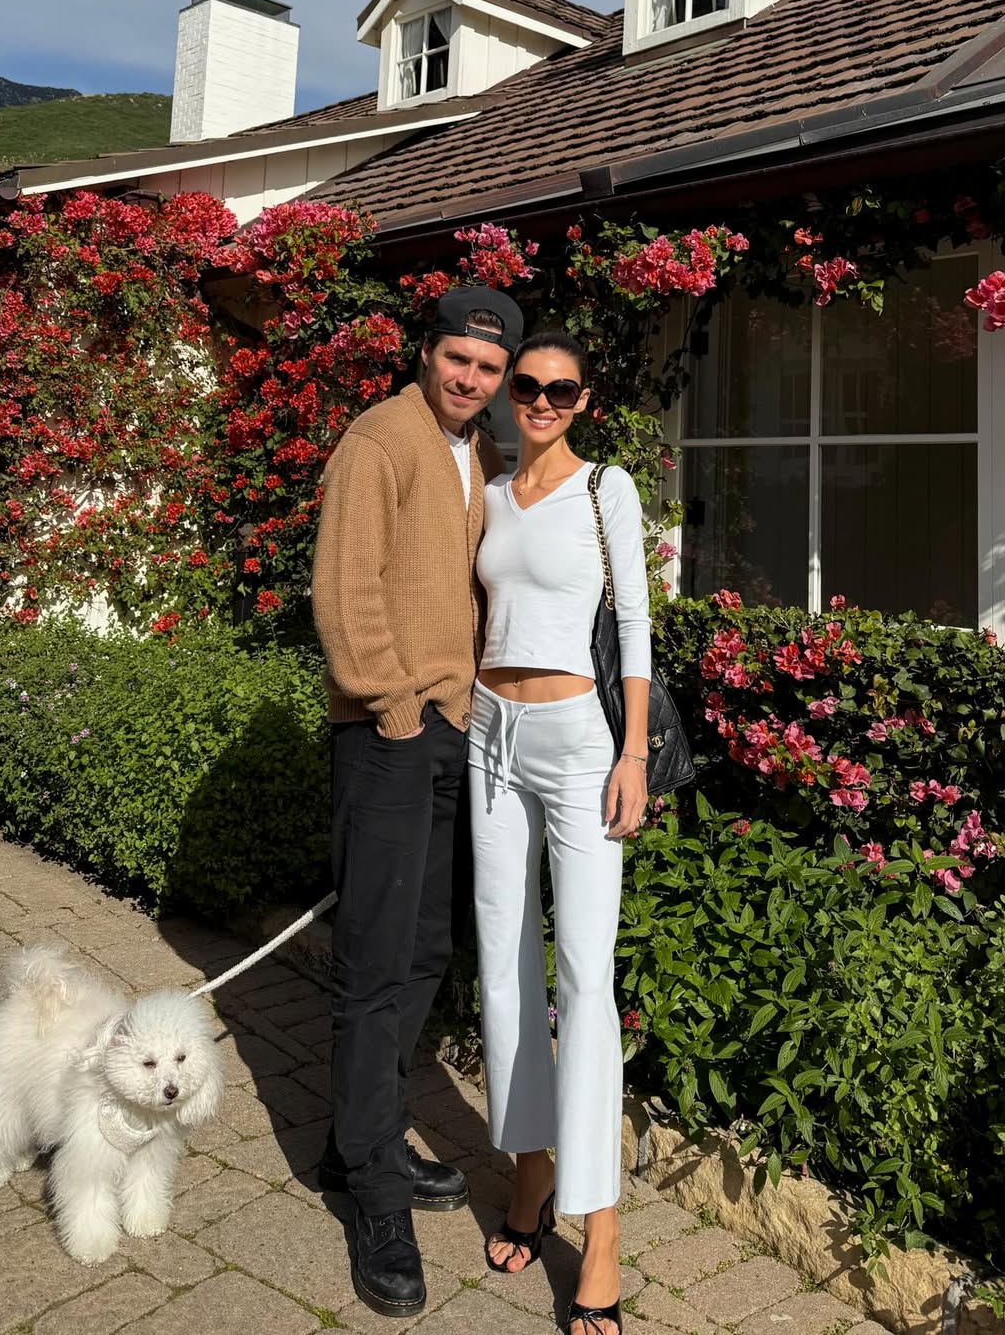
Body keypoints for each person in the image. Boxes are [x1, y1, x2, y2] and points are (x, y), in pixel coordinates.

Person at [310, 285, 523, 1319]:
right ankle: (375, 1197)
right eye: (458, 360)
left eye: (488, 368)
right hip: (392, 733)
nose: (469, 379)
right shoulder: (380, 439)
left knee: (429, 950)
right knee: (375, 962)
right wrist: (393, 708)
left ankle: (361, 1134)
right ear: (427, 353)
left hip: (453, 730)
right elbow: (344, 589)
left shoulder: (476, 451)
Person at [468, 330, 652, 1335]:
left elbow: (634, 624)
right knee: (503, 963)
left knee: (584, 975)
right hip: (488, 733)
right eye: (525, 385)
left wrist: (631, 752)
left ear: (583, 398)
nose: (539, 399)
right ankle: (529, 1172)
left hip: (582, 741)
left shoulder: (605, 489)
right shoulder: (488, 491)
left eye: (559, 388)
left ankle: (605, 1230)